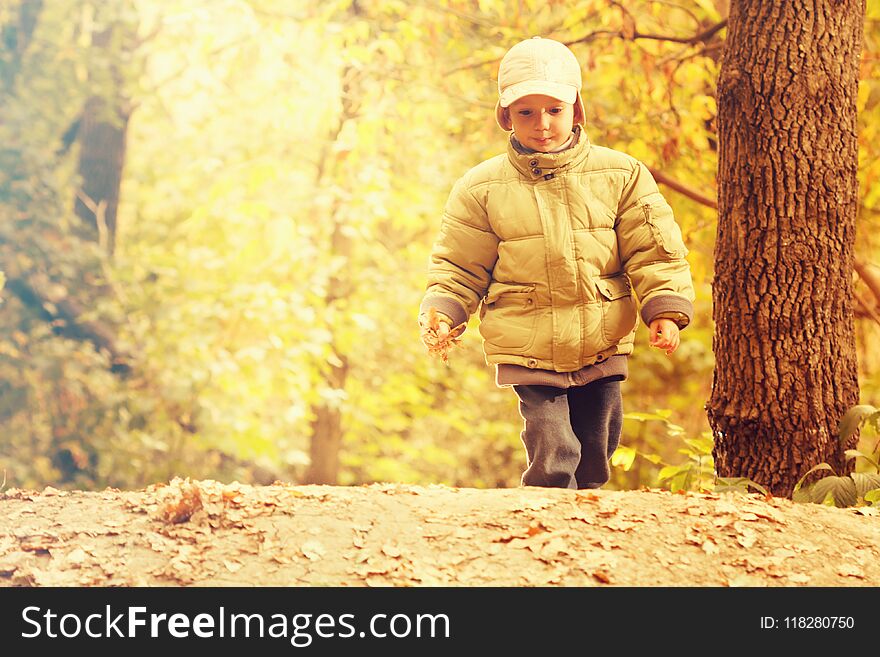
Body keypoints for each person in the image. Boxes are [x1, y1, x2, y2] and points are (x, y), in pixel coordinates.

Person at [419, 37, 695, 489]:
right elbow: (459, 266)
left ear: (576, 110)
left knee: (595, 450)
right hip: (526, 337)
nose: (541, 124)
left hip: (601, 334)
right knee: (554, 447)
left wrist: (664, 310)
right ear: (505, 116)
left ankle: (585, 522)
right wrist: (444, 311)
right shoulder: (480, 188)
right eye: (525, 112)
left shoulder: (621, 175)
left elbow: (654, 250)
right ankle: (545, 520)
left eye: (554, 110)